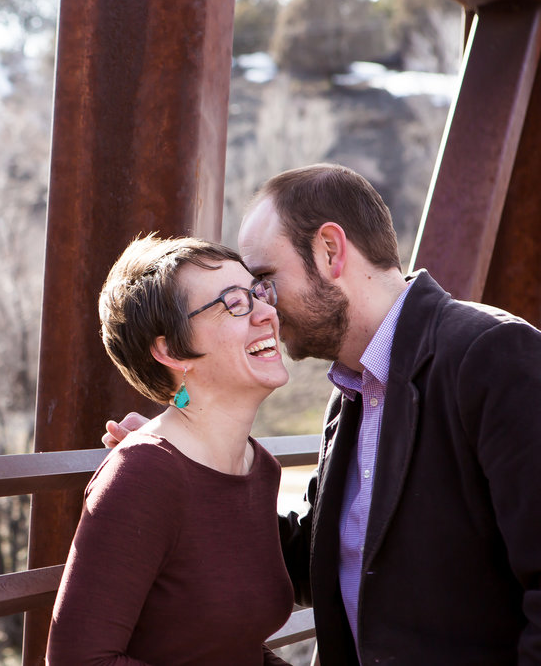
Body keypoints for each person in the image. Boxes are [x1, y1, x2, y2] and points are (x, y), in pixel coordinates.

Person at [105, 163, 541, 665]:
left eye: (265, 279)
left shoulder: (493, 354)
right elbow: (316, 561)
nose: (262, 306)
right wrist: (188, 467)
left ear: (330, 251)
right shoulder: (352, 393)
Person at [46, 234, 294, 665]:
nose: (268, 313)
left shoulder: (260, 469)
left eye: (258, 292)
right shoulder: (142, 476)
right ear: (171, 350)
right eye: (235, 302)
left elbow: (234, 651)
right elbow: (78, 660)